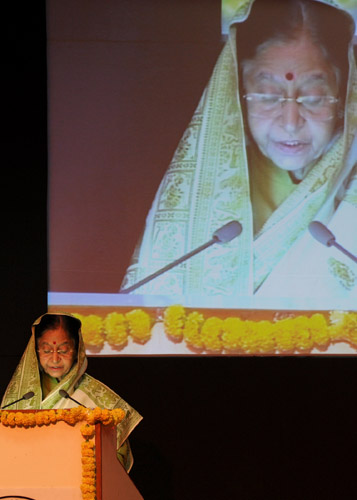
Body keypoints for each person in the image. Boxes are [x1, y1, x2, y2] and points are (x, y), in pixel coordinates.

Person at [121, 0, 357, 308]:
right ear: (235, 95)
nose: (289, 122)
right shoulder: (203, 197)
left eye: (313, 98)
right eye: (268, 97)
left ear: (344, 94)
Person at [1, 312, 142, 472]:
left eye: (63, 350)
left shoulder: (98, 398)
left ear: (77, 351)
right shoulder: (20, 397)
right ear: (36, 352)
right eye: (47, 350)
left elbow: (118, 462)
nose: (55, 359)